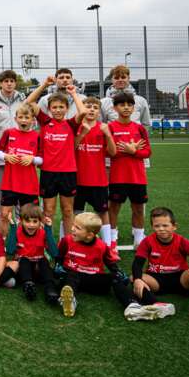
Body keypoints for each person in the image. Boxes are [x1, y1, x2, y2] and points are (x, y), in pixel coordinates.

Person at [56, 212, 163, 321]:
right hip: (73, 278)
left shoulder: (101, 246)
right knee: (70, 276)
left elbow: (110, 263)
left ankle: (132, 306)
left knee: (114, 278)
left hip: (94, 280)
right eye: (73, 225)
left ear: (89, 235)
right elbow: (59, 256)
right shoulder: (67, 240)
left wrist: (118, 273)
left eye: (77, 228)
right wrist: (58, 266)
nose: (72, 229)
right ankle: (70, 300)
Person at [130, 207, 189, 325]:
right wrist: (138, 279)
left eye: (165, 225)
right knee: (134, 277)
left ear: (174, 226)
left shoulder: (182, 241)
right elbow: (137, 264)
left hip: (181, 280)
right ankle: (156, 304)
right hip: (157, 280)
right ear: (152, 226)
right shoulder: (148, 241)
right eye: (157, 226)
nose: (161, 229)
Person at [26, 76, 87, 237]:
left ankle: (68, 242)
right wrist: (44, 84)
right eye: (54, 107)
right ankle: (46, 243)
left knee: (68, 210)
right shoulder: (45, 122)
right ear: (50, 108)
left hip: (68, 172)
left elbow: (83, 112)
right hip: (48, 172)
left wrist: (73, 93)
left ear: (67, 109)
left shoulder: (71, 124)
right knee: (48, 211)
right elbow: (29, 102)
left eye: (61, 107)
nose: (58, 110)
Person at [107, 92, 151, 248]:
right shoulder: (110, 128)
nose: (126, 107)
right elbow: (107, 152)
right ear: (115, 108)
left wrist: (134, 152)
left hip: (137, 177)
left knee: (138, 209)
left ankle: (139, 239)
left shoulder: (139, 129)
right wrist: (125, 150)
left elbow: (147, 152)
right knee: (113, 209)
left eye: (129, 105)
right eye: (122, 105)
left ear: (133, 108)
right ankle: (112, 239)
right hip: (118, 177)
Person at [73, 96, 117, 254]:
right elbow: (71, 148)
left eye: (95, 107)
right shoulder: (76, 126)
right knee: (77, 213)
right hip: (78, 179)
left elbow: (112, 152)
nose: (91, 109)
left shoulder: (104, 127)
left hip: (98, 180)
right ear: (82, 109)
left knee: (103, 212)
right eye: (88, 106)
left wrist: (108, 135)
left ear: (99, 112)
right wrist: (83, 133)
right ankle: (73, 242)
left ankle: (108, 245)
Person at [0, 103, 42, 244]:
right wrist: (6, 156)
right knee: (4, 215)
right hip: (10, 183)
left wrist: (32, 159)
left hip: (29, 184)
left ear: (32, 120)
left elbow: (42, 158)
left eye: (27, 117)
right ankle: (1, 244)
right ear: (15, 119)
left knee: (29, 216)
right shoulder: (9, 133)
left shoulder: (36, 136)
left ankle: (26, 243)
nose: (24, 120)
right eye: (21, 117)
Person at [0, 70, 28, 226]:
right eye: (6, 81)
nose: (9, 83)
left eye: (12, 80)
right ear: (0, 83)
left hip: (20, 157)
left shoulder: (22, 101)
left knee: (20, 192)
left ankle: (20, 225)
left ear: (15, 83)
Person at [7, 203, 59, 302]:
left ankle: (50, 289)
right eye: (27, 221)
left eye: (35, 221)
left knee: (43, 261)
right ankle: (29, 286)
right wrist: (13, 227)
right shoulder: (17, 232)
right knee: (24, 260)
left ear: (40, 222)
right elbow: (10, 250)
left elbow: (54, 253)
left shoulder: (43, 232)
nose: (31, 225)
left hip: (39, 268)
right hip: (23, 270)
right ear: (21, 221)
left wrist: (48, 230)